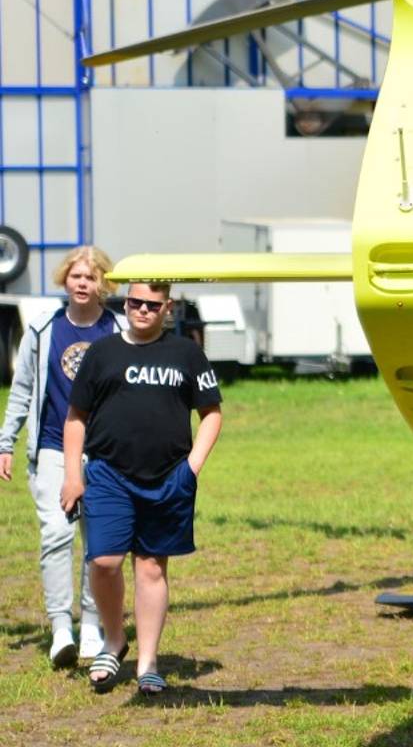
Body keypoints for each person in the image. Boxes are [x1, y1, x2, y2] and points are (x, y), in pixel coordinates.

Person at [59, 282, 222, 694]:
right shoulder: (103, 352)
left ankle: (148, 662)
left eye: (152, 304)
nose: (142, 310)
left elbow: (212, 414)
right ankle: (114, 641)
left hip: (167, 477)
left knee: (151, 567)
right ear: (125, 302)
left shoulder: (186, 353)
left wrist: (192, 468)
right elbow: (76, 417)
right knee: (105, 562)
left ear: (167, 307)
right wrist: (73, 475)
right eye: (134, 302)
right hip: (109, 475)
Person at [0, 247, 124, 667]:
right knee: (56, 532)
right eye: (76, 276)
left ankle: (92, 623)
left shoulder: (118, 329)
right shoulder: (43, 328)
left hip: (106, 452)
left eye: (91, 277)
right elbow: (22, 390)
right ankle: (59, 629)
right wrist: (6, 442)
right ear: (64, 280)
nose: (83, 283)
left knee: (99, 543)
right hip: (52, 447)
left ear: (104, 283)